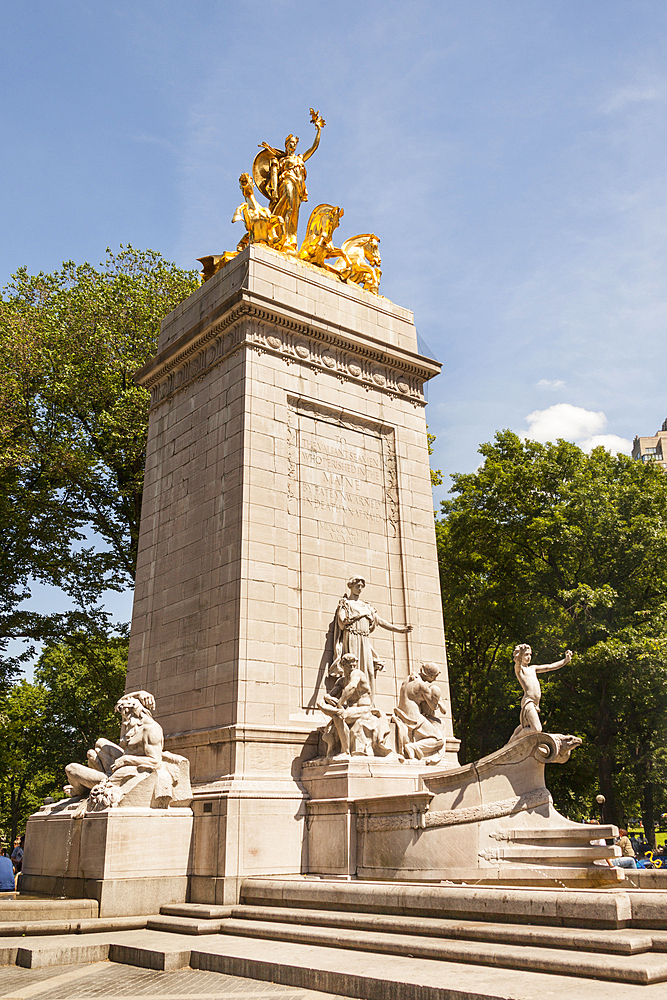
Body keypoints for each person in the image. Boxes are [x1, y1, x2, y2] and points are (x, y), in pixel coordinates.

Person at [331, 576, 413, 706]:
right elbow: (341, 619)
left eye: (362, 587)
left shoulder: (366, 606)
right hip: (352, 637)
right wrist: (345, 620)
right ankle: (352, 702)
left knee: (368, 671)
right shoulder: (346, 604)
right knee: (353, 669)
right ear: (351, 586)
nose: (360, 589)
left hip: (364, 639)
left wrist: (400, 630)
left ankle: (368, 702)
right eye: (357, 586)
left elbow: (380, 621)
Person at [509, 643, 572, 742]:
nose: (529, 657)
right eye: (526, 654)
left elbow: (550, 667)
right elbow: (517, 663)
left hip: (535, 704)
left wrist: (565, 660)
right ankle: (516, 739)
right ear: (520, 655)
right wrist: (519, 654)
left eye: (530, 654)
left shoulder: (533, 668)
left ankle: (513, 738)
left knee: (524, 726)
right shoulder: (520, 670)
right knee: (536, 729)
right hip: (528, 702)